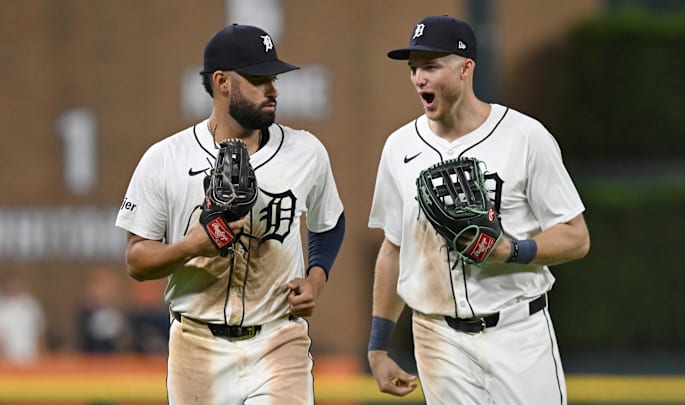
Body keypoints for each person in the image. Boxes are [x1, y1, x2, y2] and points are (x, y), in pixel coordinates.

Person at [115, 23, 345, 405]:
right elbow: (137, 261)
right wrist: (191, 246)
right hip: (196, 345)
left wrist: (317, 278)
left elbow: (330, 220)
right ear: (222, 82)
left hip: (278, 339)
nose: (272, 88)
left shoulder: (306, 152)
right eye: (258, 78)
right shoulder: (165, 159)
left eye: (273, 77)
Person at [367, 15, 590, 404]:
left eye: (432, 66)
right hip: (438, 338)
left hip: (518, 331)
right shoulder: (399, 147)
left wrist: (513, 250)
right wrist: (378, 346)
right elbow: (394, 248)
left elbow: (576, 236)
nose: (419, 78)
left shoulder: (524, 137)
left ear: (465, 68)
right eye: (414, 68)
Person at [0, 270, 45, 365]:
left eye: (16, 284)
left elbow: (39, 331)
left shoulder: (31, 305)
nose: (13, 287)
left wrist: (42, 353)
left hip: (30, 355)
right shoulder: (2, 306)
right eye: (11, 284)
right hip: (7, 357)